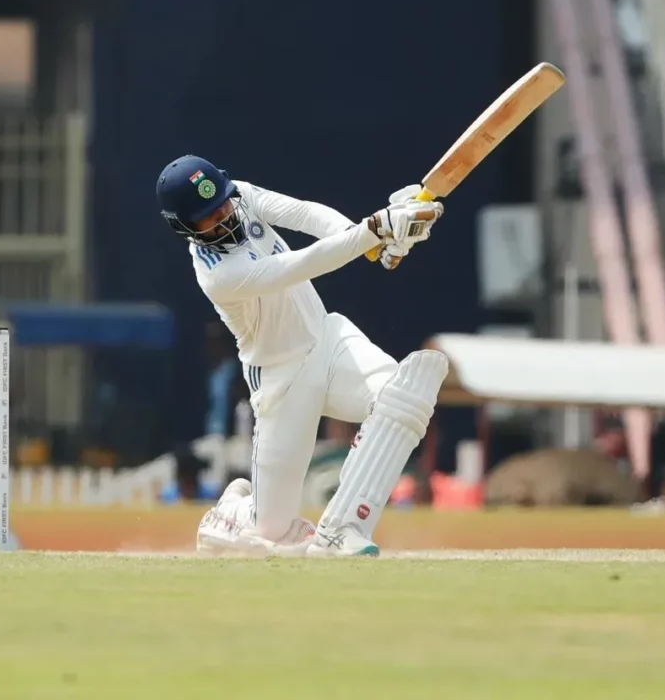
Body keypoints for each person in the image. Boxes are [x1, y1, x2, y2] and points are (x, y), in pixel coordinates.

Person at [156, 155, 448, 557]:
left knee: (402, 399)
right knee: (270, 531)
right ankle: (233, 511)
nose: (225, 214)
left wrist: (372, 241)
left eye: (223, 202)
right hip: (281, 379)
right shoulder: (217, 274)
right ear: (185, 227)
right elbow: (301, 264)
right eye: (209, 215)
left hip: (328, 340)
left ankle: (341, 528)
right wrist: (376, 230)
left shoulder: (241, 194)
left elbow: (306, 215)